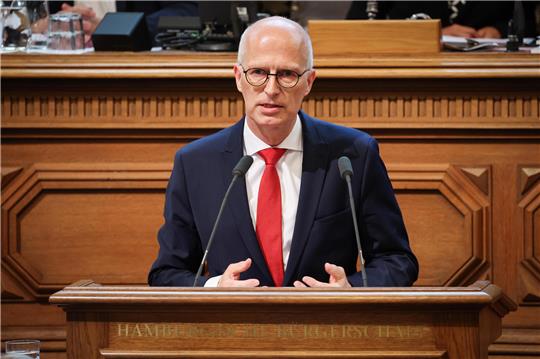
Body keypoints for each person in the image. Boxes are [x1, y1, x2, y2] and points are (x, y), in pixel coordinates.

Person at [148, 16, 418, 288]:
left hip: (326, 326)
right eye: (258, 73)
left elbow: (397, 260)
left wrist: (352, 290)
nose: (271, 89)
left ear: (309, 82)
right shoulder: (195, 163)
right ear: (238, 78)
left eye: (287, 74)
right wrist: (214, 287)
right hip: (231, 326)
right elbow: (166, 273)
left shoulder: (354, 155)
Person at [347, 1, 537, 39]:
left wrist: (501, 31)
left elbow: (529, 24)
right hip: (413, 74)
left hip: (491, 73)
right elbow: (356, 28)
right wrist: (429, 34)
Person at [48, 1, 198, 45]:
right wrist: (44, 25)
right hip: (55, 67)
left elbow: (189, 12)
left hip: (134, 74)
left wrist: (112, 29)